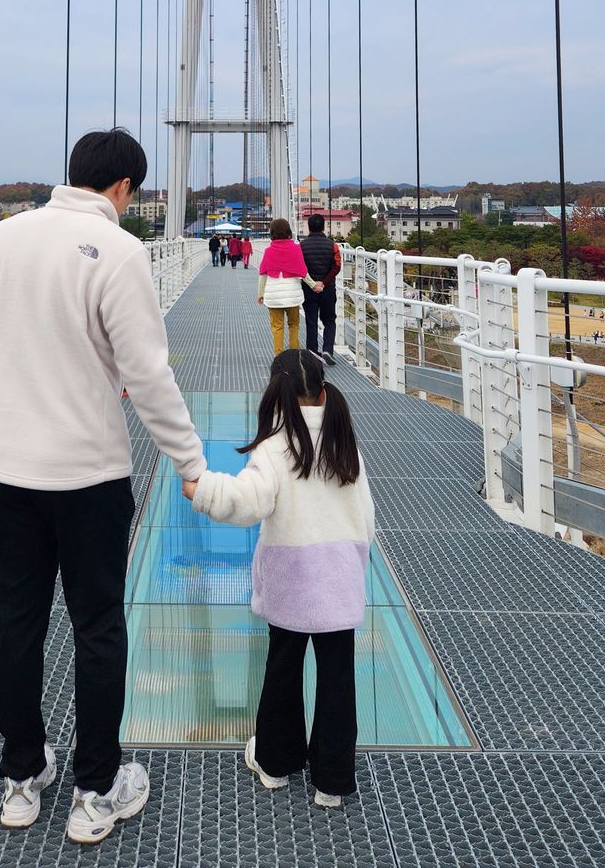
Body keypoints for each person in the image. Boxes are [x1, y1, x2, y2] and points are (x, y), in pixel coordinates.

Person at [0, 128, 206, 844]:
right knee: (97, 629)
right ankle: (96, 791)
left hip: (13, 473)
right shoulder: (118, 252)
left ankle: (22, 776)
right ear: (124, 188)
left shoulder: (2, 238)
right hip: (90, 477)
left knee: (18, 625)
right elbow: (147, 374)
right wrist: (188, 461)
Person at [183, 350, 374, 808]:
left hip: (292, 581)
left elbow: (247, 500)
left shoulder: (274, 447)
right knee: (337, 679)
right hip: (340, 579)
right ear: (323, 392)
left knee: (283, 669)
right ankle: (331, 782)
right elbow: (365, 514)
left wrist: (202, 489)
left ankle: (275, 763)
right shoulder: (344, 440)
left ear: (276, 393)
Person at [257, 218, 320, 353]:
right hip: (292, 295)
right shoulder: (296, 249)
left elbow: (263, 274)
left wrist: (260, 294)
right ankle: (294, 355)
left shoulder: (268, 251)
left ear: (272, 233)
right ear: (288, 231)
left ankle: (279, 356)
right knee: (294, 325)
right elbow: (303, 272)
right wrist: (313, 285)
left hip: (274, 296)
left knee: (277, 327)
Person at [300, 213, 341, 365]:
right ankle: (327, 350)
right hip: (328, 289)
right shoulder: (333, 245)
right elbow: (337, 267)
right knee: (329, 320)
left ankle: (312, 352)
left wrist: (313, 283)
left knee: (311, 320)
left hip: (309, 289)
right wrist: (323, 283)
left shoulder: (301, 246)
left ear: (308, 227)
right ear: (324, 227)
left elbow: (300, 267)